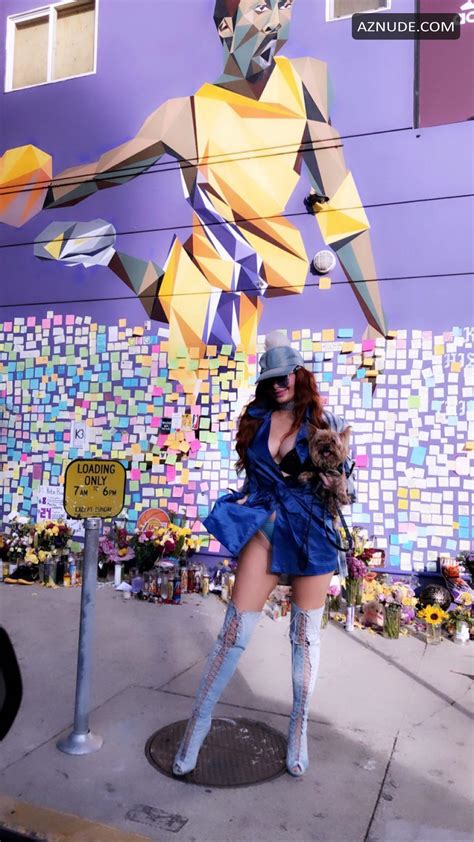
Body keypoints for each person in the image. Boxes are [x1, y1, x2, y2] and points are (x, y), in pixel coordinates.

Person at [3, 0, 386, 365]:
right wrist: (36, 193)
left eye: (284, 5)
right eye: (259, 8)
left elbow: (340, 209)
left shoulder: (307, 80)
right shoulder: (184, 117)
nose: (275, 22)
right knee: (191, 329)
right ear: (226, 26)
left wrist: (377, 323)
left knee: (179, 313)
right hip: (218, 251)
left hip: (267, 249)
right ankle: (106, 254)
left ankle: (104, 253)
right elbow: (102, 173)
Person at [173, 330, 355, 777]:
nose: (279, 384)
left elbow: (345, 479)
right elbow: (254, 476)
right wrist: (241, 500)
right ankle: (197, 726)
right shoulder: (254, 419)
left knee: (305, 638)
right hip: (268, 528)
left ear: (299, 374)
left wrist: (334, 478)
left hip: (312, 533)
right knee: (233, 633)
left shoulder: (323, 420)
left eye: (285, 375)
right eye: (271, 378)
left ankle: (298, 730)